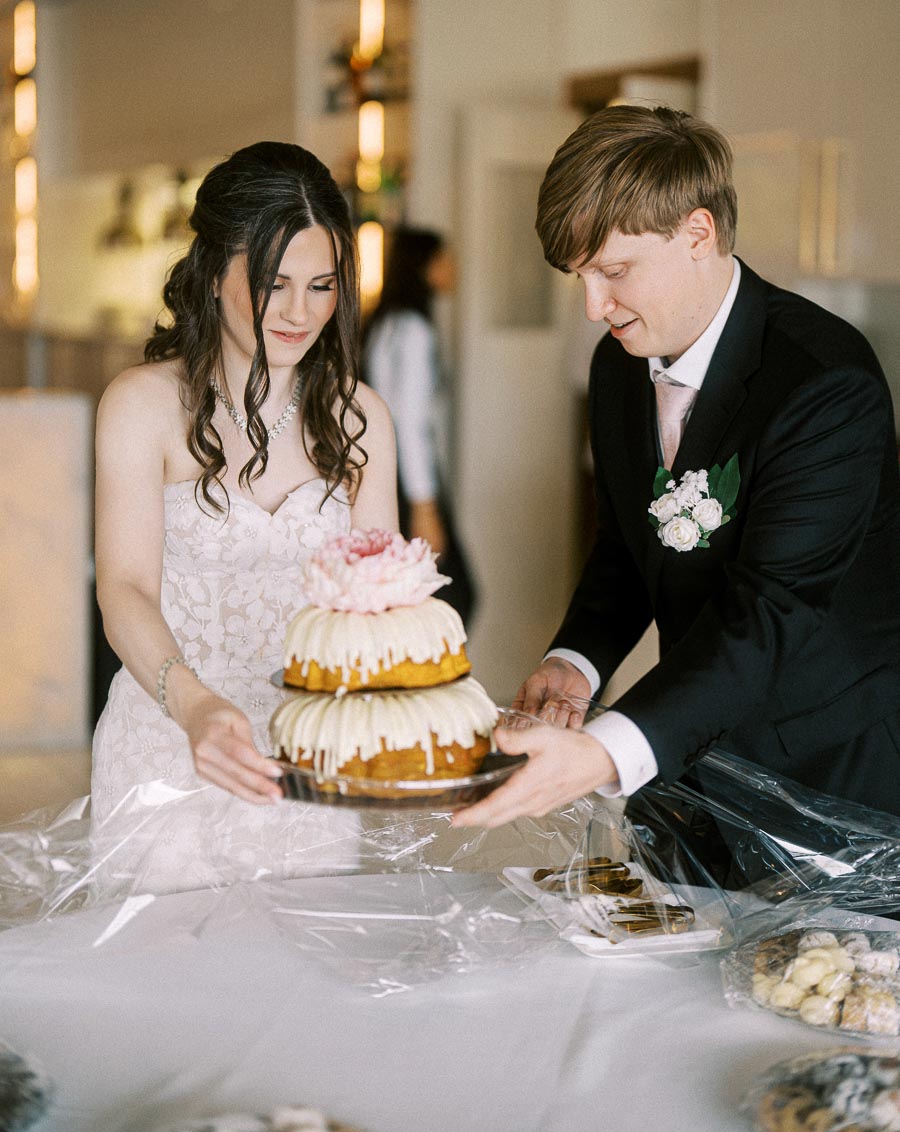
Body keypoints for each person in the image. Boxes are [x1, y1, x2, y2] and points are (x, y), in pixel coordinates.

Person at [454, 105, 900, 832]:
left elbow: (772, 613)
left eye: (614, 271)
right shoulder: (618, 365)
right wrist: (579, 659)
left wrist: (604, 753)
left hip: (829, 775)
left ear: (699, 232)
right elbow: (628, 545)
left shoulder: (822, 383)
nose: (596, 306)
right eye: (581, 278)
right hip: (684, 754)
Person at [91, 141, 398, 893]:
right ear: (215, 270)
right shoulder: (141, 405)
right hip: (167, 736)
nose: (300, 312)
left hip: (307, 758)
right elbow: (123, 587)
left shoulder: (361, 418)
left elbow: (381, 600)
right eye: (274, 283)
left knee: (298, 992)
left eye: (322, 285)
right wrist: (192, 705)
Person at [363, 224, 477, 626]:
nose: (454, 268)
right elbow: (407, 422)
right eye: (444, 259)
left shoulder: (389, 323)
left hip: (390, 472)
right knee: (453, 597)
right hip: (407, 478)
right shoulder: (411, 330)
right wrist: (424, 503)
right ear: (424, 266)